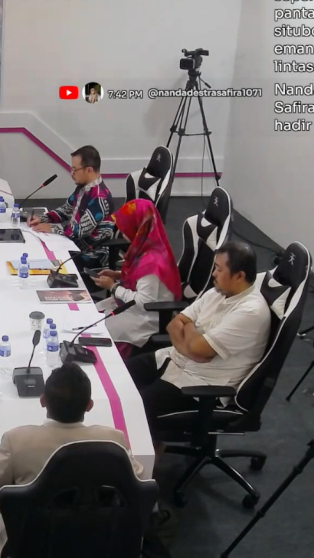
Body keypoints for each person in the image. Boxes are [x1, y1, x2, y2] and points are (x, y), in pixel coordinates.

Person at [0, 365, 145, 558]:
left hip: (31, 544)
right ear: (89, 405)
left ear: (42, 401)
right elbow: (140, 483)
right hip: (99, 542)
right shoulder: (113, 441)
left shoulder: (17, 440)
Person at [124, 242, 271, 434]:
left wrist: (189, 329)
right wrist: (191, 343)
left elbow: (198, 347)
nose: (213, 274)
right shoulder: (218, 291)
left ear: (239, 276)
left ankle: (150, 448)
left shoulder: (250, 312)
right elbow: (174, 323)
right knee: (118, 377)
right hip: (171, 358)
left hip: (198, 385)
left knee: (132, 408)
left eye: (219, 269)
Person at [91, 199, 182, 359]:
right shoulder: (145, 247)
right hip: (131, 306)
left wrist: (113, 287)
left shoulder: (152, 262)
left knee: (96, 331)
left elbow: (144, 301)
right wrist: (117, 275)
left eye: (125, 227)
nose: (122, 232)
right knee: (90, 315)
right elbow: (140, 279)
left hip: (146, 317)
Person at [28, 145, 116, 277]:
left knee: (45, 266)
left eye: (75, 169)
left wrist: (51, 228)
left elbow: (79, 231)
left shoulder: (99, 198)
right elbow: (65, 210)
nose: (71, 173)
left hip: (90, 255)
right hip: (73, 244)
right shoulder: (84, 188)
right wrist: (42, 219)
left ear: (89, 170)